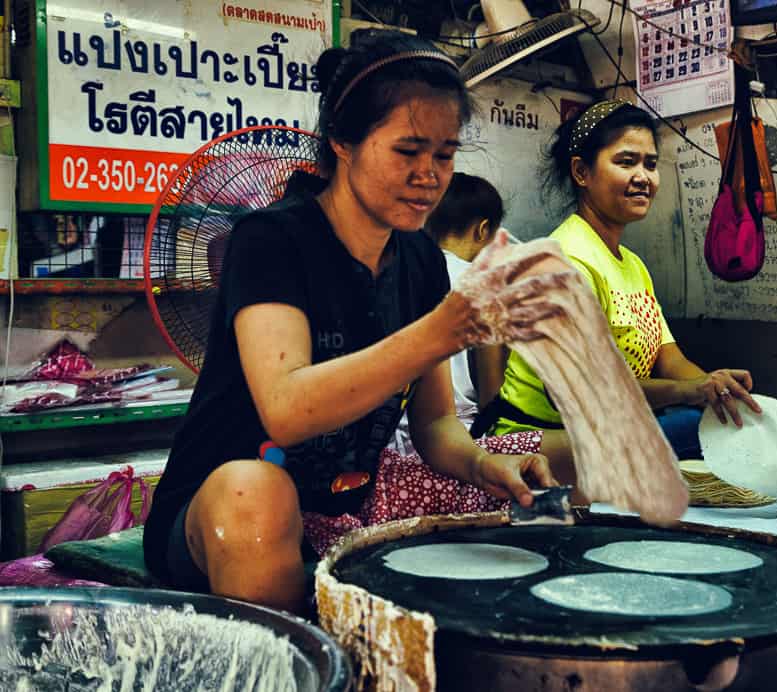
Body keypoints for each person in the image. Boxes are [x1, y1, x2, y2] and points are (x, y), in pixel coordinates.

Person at [143, 31, 560, 614]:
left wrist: (485, 465)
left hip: (339, 508)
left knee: (553, 460)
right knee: (254, 492)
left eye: (444, 154)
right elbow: (286, 411)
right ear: (342, 141)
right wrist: (441, 330)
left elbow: (437, 423)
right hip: (221, 513)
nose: (430, 175)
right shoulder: (271, 240)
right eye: (408, 151)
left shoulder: (418, 259)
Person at [477, 100, 761, 457]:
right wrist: (689, 392)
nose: (643, 177)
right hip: (547, 445)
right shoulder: (565, 261)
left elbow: (667, 357)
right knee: (697, 427)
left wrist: (718, 390)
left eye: (651, 164)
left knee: (728, 419)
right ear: (581, 172)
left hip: (608, 431)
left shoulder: (633, 266)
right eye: (626, 162)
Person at [390, 172, 508, 455]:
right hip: (459, 449)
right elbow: (491, 399)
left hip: (393, 450)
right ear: (482, 231)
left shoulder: (399, 273)